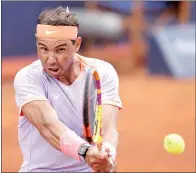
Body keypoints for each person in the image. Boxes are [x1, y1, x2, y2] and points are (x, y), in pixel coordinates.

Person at [14, 6, 122, 172]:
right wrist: (86, 152)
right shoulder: (28, 77)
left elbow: (108, 127)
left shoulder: (101, 72)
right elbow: (48, 126)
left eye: (60, 50)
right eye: (43, 49)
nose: (50, 59)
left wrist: (107, 153)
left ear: (77, 44)